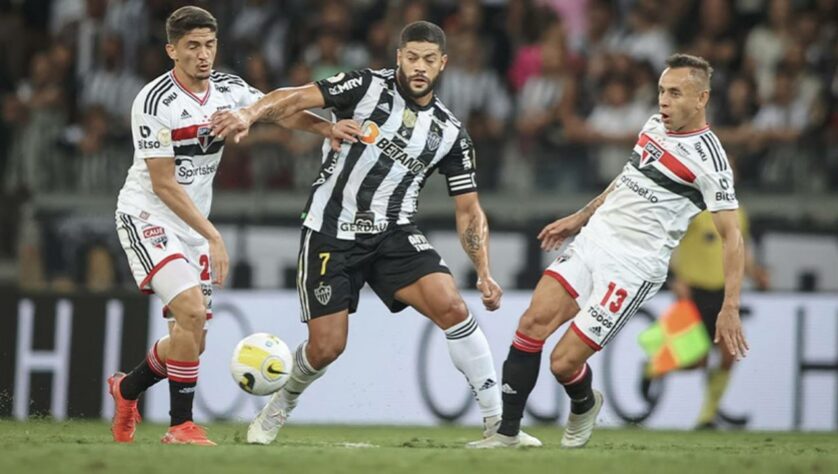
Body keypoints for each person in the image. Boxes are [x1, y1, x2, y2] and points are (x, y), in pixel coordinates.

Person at [211, 21, 539, 447]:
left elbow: (469, 209)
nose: (419, 67)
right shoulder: (363, 86)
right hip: (331, 230)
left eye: (429, 59)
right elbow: (292, 97)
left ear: (443, 64)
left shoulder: (450, 133)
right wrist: (248, 113)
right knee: (327, 347)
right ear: (398, 56)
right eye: (411, 57)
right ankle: (279, 408)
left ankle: (500, 426)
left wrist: (484, 271)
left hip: (393, 233)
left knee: (453, 306)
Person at [468, 53, 749, 449]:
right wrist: (582, 216)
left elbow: (732, 236)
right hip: (594, 242)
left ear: (701, 98)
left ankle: (584, 404)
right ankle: (508, 434)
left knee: (563, 363)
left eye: (674, 93)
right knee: (531, 324)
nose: (663, 101)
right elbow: (628, 178)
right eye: (660, 92)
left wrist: (731, 305)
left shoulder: (711, 161)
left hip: (633, 267)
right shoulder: (653, 126)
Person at [108, 6, 356, 446]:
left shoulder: (228, 88)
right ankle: (181, 426)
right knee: (189, 311)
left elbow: (275, 111)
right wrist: (213, 235)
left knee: (191, 341)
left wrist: (326, 130)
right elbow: (164, 184)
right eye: (192, 47)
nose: (203, 55)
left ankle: (126, 389)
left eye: (209, 45)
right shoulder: (153, 102)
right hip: (148, 214)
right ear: (172, 50)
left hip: (194, 223)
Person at [664, 206, 769, 430]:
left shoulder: (738, 213)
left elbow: (740, 250)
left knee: (729, 354)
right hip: (693, 293)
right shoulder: (691, 209)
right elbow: (666, 242)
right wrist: (674, 279)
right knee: (695, 361)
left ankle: (707, 416)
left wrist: (754, 273)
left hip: (723, 294)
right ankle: (651, 369)